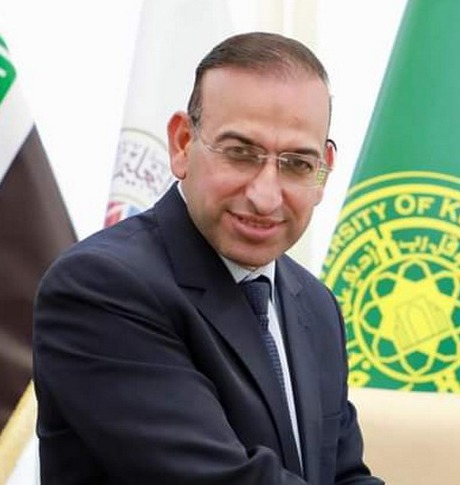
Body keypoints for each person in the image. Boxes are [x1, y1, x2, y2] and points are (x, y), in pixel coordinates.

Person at [33, 32, 384, 484]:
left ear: (323, 172)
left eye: (297, 163)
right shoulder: (99, 288)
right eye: (241, 154)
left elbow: (345, 475)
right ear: (182, 144)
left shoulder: (315, 304)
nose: (265, 196)